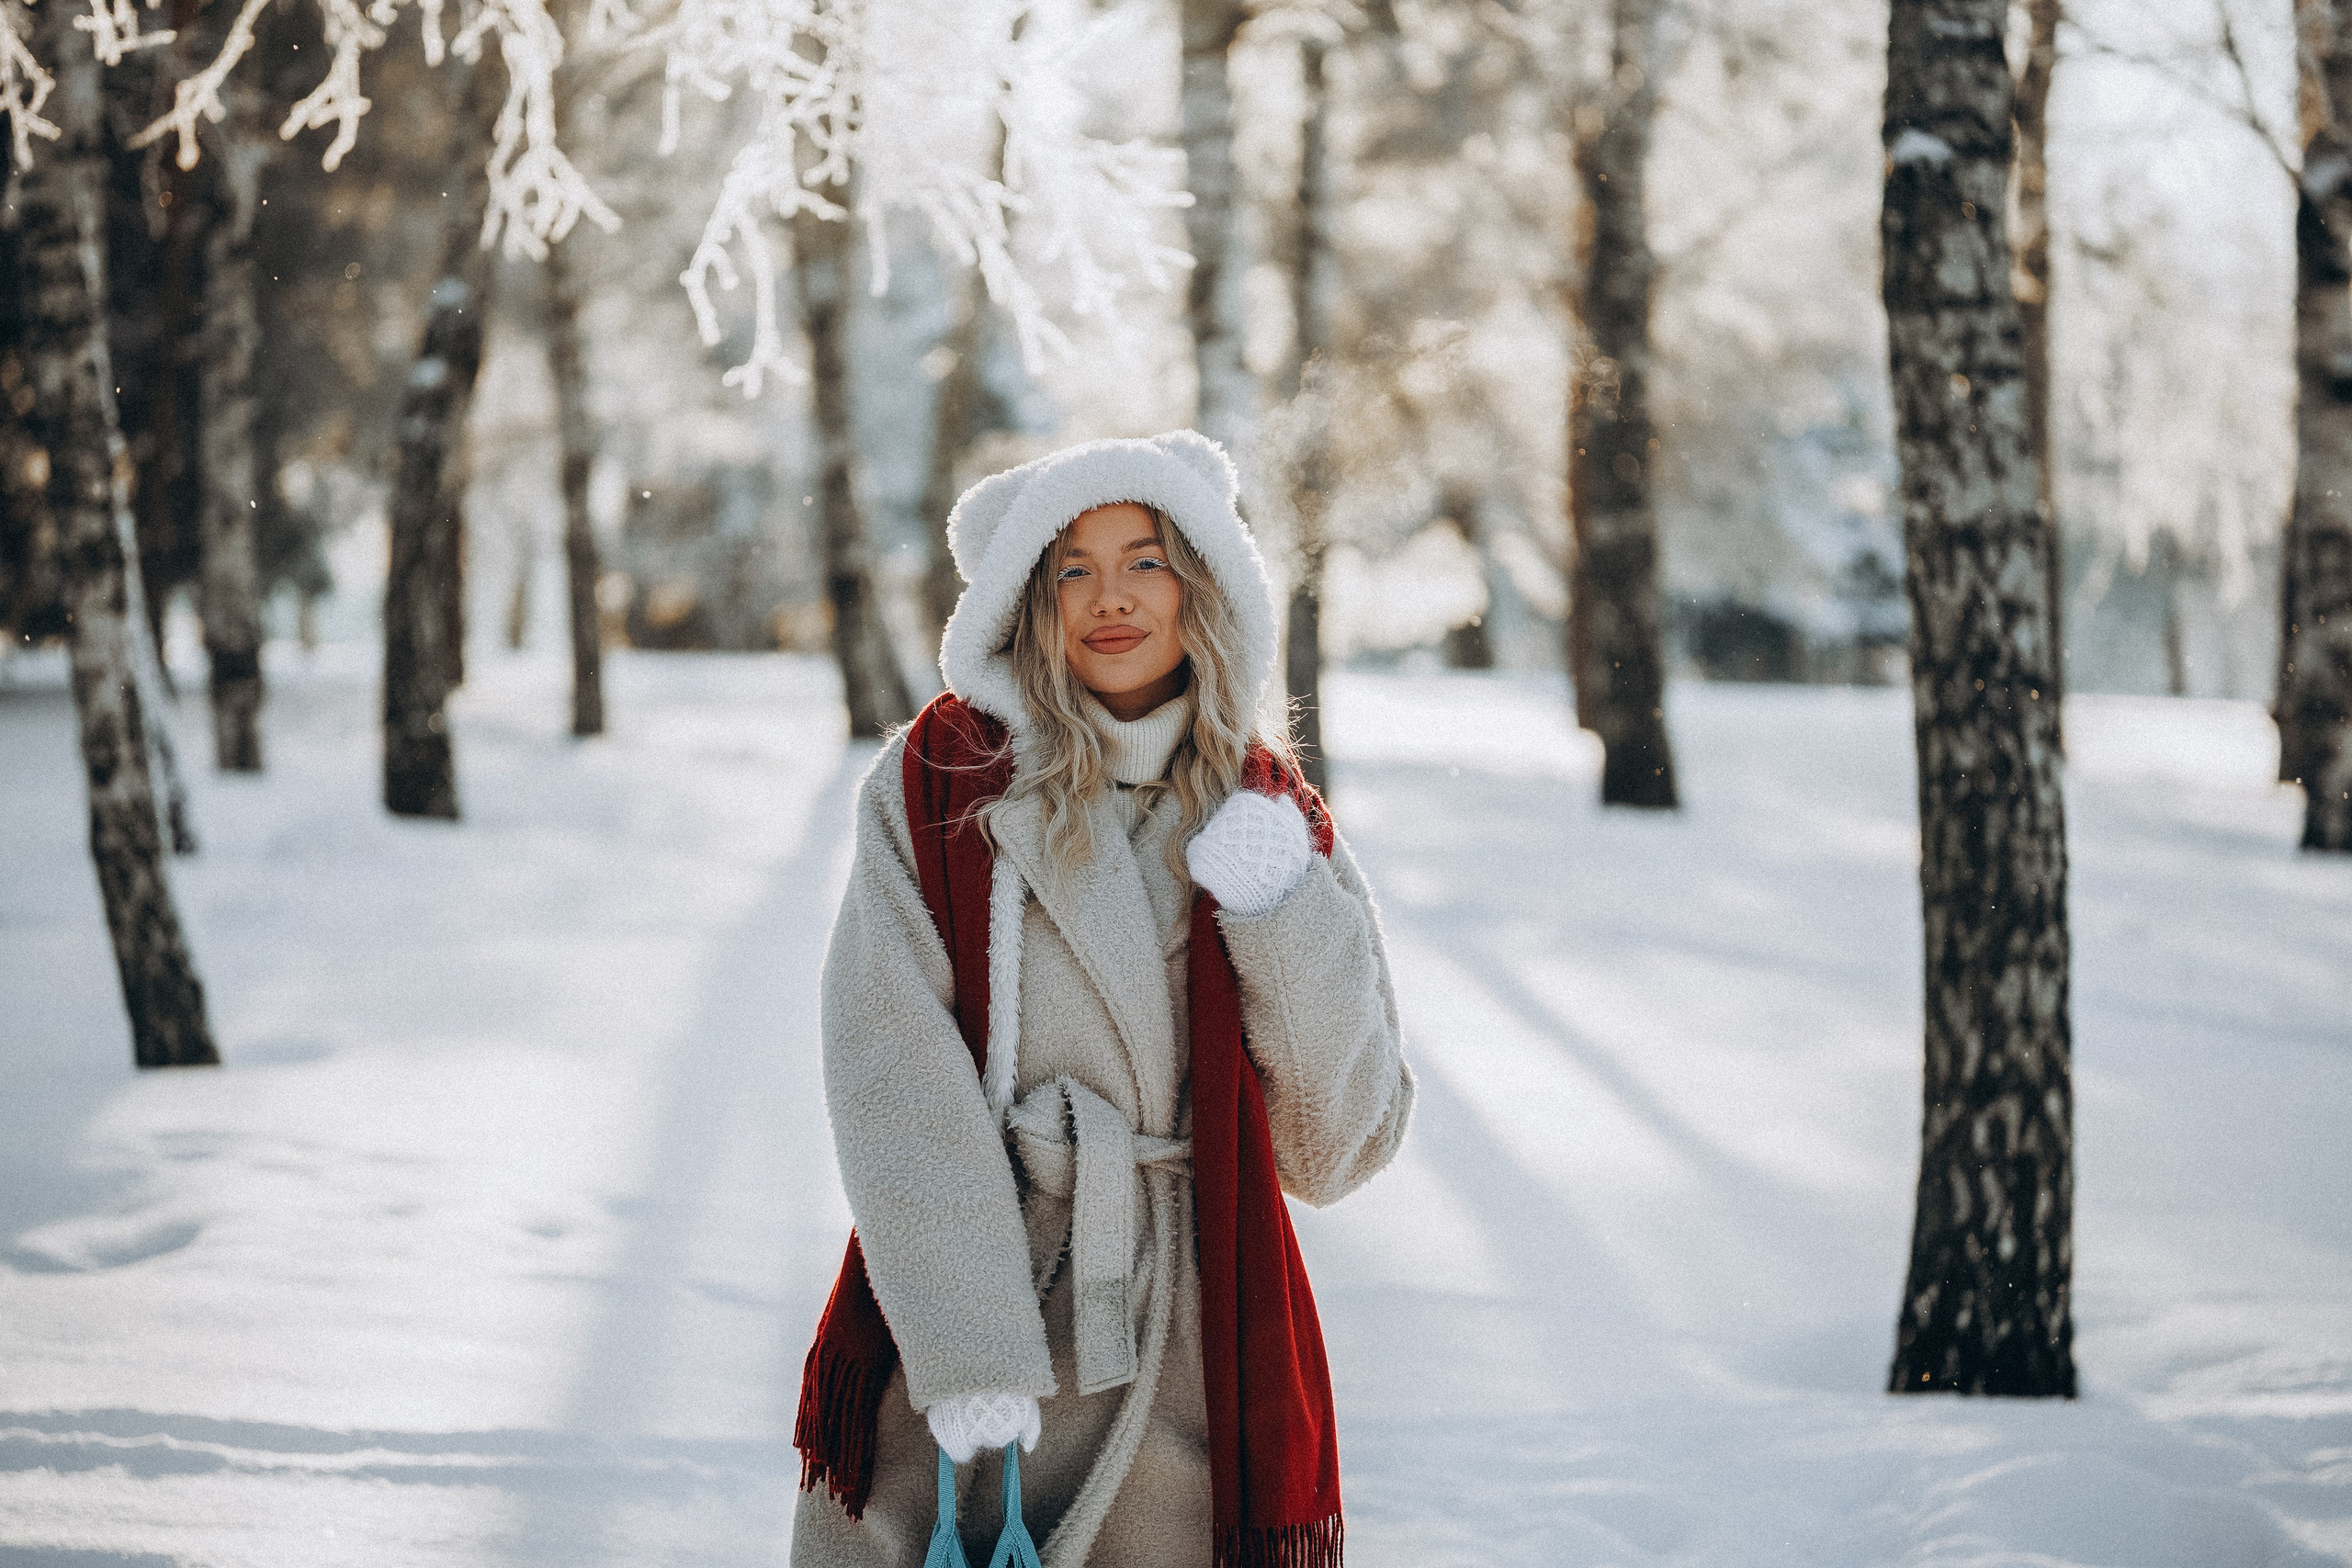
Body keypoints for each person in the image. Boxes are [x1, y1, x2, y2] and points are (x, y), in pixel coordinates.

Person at [790, 431, 1413, 1568]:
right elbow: (891, 1068)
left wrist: (1281, 910)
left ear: (1203, 584)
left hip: (1191, 1332)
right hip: (977, 1302)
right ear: (1026, 599)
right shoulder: (939, 784)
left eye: (1146, 560)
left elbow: (1340, 1145)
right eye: (1072, 567)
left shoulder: (1267, 808)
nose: (1110, 598)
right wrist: (972, 1347)